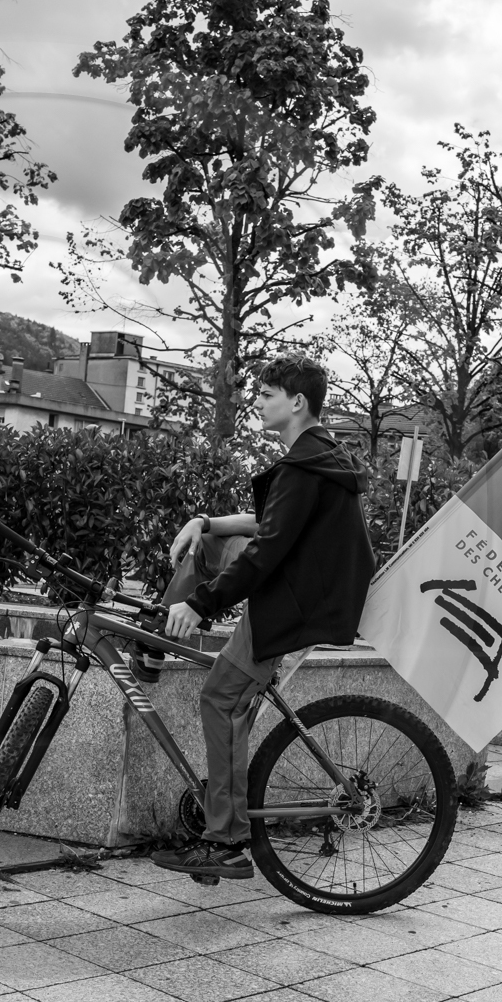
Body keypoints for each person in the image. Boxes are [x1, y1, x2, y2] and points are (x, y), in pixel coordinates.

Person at [152, 354, 375, 880]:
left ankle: (226, 840)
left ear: (297, 402)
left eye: (267, 393)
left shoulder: (303, 464)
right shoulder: (315, 455)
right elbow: (268, 523)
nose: (257, 400)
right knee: (209, 542)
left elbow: (267, 551)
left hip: (293, 602)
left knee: (220, 699)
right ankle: (156, 639)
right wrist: (201, 519)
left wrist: (202, 603)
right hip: (299, 586)